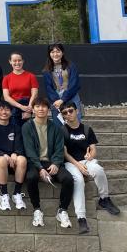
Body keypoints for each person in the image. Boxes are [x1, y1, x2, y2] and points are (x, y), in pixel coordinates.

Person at [61, 101, 120, 234]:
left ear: (77, 111)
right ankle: (81, 218)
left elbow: (93, 149)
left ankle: (104, 199)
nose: (68, 114)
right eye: (65, 113)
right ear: (63, 116)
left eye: (71, 111)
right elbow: (64, 153)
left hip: (87, 160)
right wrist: (78, 165)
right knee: (79, 181)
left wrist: (90, 157)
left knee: (98, 170)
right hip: (71, 163)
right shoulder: (62, 131)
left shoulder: (87, 129)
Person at [22, 97, 74, 230]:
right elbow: (29, 150)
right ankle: (37, 209)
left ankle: (62, 210)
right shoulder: (27, 127)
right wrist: (39, 168)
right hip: (35, 163)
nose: (41, 109)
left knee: (68, 179)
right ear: (33, 110)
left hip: (52, 162)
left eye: (44, 106)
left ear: (48, 109)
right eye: (38, 106)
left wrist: (56, 163)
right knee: (31, 177)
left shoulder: (55, 127)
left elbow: (59, 148)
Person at [0, 100, 27, 211]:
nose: (4, 112)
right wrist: (4, 155)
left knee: (22, 159)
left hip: (13, 160)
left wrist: (15, 153)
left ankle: (17, 194)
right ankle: (4, 195)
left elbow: (20, 146)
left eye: (7, 109)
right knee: (2, 160)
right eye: (1, 109)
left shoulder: (16, 127)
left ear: (11, 112)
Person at [43, 43, 82, 123]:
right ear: (49, 54)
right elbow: (48, 88)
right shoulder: (47, 70)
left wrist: (63, 99)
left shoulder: (71, 66)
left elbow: (74, 84)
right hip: (56, 99)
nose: (55, 54)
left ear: (62, 53)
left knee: (75, 121)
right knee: (59, 123)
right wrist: (57, 100)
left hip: (71, 96)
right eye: (52, 52)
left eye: (58, 51)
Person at [3, 52, 39, 126]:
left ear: (23, 61)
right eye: (14, 61)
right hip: (14, 106)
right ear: (10, 62)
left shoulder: (31, 76)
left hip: (29, 105)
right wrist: (21, 107)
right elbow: (6, 97)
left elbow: (34, 94)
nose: (17, 63)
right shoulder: (6, 78)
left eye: (19, 60)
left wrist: (28, 109)